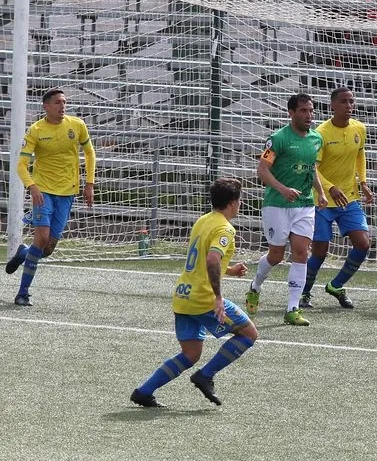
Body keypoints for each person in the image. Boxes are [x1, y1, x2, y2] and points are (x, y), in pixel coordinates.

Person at [130, 177, 255, 407]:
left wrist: (230, 270)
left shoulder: (203, 221)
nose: (240, 205)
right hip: (202, 299)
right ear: (232, 203)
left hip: (182, 295)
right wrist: (218, 297)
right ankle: (205, 375)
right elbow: (211, 258)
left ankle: (144, 391)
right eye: (239, 201)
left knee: (191, 353)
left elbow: (204, 260)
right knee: (248, 334)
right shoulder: (225, 228)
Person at [244, 93, 328, 327]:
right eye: (303, 111)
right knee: (276, 255)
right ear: (291, 113)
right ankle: (255, 286)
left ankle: (292, 309)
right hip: (277, 204)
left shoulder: (315, 139)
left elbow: (311, 169)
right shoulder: (277, 139)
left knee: (301, 253)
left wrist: (320, 192)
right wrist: (282, 189)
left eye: (311, 111)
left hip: (304, 205)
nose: (308, 115)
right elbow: (262, 170)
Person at [6, 88, 96, 306]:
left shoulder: (77, 125)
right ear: (46, 106)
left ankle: (22, 254)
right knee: (42, 238)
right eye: (57, 102)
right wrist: (33, 187)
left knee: (46, 249)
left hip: (67, 193)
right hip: (43, 192)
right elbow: (20, 165)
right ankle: (22, 293)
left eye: (64, 102)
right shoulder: (36, 130)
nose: (62, 106)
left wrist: (90, 183)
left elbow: (90, 153)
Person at [299, 86, 374, 309]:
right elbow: (313, 167)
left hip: (349, 198)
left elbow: (361, 155)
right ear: (332, 106)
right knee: (320, 251)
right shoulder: (321, 133)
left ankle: (336, 285)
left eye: (351, 101)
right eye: (344, 102)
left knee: (363, 243)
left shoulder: (359, 128)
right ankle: (304, 292)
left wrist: (364, 183)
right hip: (321, 199)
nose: (349, 106)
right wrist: (330, 188)